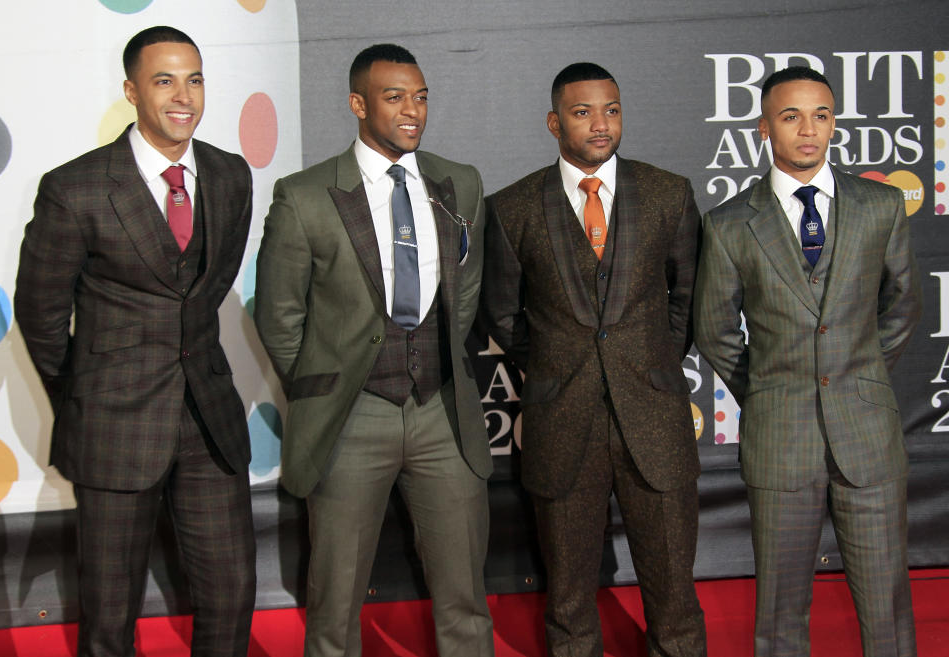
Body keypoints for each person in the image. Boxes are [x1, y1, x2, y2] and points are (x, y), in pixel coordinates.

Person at [14, 25, 256, 657]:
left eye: (195, 78)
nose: (185, 96)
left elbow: (208, 287)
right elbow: (41, 317)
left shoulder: (231, 176)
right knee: (109, 616)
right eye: (164, 80)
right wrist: (87, 395)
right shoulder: (77, 187)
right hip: (112, 427)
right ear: (130, 91)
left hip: (210, 422)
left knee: (232, 597)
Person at [253, 43, 494, 657]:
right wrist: (326, 388)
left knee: (465, 597)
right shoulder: (304, 195)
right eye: (394, 98)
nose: (412, 111)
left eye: (420, 97)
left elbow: (463, 297)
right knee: (334, 606)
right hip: (350, 418)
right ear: (358, 104)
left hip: (444, 411)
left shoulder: (459, 183)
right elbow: (280, 317)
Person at [694, 66, 921, 657]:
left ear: (835, 122)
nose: (809, 129)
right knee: (779, 615)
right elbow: (715, 331)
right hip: (780, 439)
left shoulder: (881, 205)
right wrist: (767, 392)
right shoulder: (727, 225)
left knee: (888, 610)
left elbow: (901, 307)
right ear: (765, 127)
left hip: (867, 437)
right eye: (791, 116)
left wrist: (861, 379)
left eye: (821, 114)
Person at [480, 62, 706, 657]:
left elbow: (686, 302)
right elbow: (503, 316)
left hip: (654, 421)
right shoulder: (512, 207)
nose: (600, 124)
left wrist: (650, 364)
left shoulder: (668, 193)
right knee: (570, 601)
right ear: (554, 122)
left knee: (675, 599)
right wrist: (559, 365)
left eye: (611, 109)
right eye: (583, 112)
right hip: (561, 422)